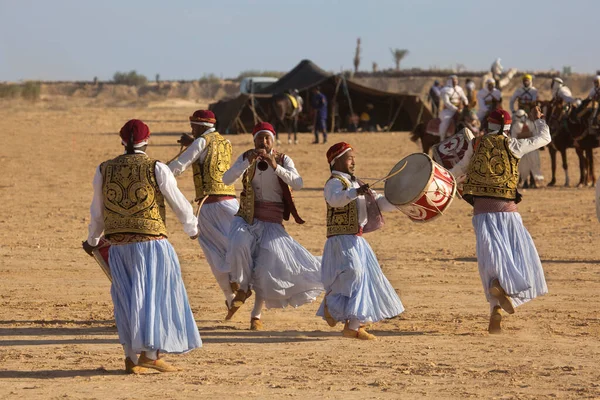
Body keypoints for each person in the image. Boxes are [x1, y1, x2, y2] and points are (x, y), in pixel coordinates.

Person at [83, 119, 202, 373]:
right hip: (151, 245)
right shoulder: (156, 167)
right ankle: (149, 354)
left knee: (126, 299)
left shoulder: (104, 169)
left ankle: (130, 357)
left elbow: (97, 212)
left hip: (118, 245)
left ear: (122, 141)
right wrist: (192, 228)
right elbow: (178, 202)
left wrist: (93, 240)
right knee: (154, 296)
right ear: (147, 141)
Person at [450, 108, 550, 334]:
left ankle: (495, 306)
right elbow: (545, 138)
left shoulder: (475, 145)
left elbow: (457, 170)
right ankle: (504, 303)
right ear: (507, 126)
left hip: (482, 212)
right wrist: (539, 120)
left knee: (491, 261)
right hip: (509, 212)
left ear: (489, 124)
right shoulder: (514, 145)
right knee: (517, 259)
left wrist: (443, 179)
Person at [222, 122, 323, 330]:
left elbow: (298, 183)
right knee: (238, 242)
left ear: (273, 140)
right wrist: (244, 163)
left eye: (267, 138)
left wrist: (275, 166)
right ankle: (242, 288)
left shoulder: (284, 159)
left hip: (271, 221)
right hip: (248, 217)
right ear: (254, 140)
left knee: (265, 269)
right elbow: (226, 179)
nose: (264, 142)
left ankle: (255, 316)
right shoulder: (246, 157)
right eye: (260, 138)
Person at [316, 142, 405, 340]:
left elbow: (378, 203)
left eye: (353, 157)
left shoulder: (357, 183)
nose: (353, 161)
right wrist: (355, 192)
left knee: (367, 281)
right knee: (354, 273)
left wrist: (399, 199)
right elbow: (335, 200)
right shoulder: (334, 182)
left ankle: (354, 326)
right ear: (336, 161)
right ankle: (331, 303)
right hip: (340, 239)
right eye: (349, 157)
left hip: (357, 239)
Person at [168, 110, 243, 320]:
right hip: (232, 203)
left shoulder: (199, 142)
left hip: (210, 206)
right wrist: (193, 141)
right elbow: (206, 151)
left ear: (200, 126)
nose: (192, 130)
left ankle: (230, 295)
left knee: (213, 253)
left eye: (193, 127)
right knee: (236, 245)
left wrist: (157, 173)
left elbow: (179, 166)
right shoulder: (225, 142)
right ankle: (240, 281)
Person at [511, 109, 544, 188]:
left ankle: (533, 181)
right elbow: (514, 138)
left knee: (534, 164)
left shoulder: (531, 124)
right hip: (522, 149)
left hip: (531, 148)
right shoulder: (515, 126)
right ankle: (525, 182)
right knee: (523, 166)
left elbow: (535, 134)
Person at [439, 75, 469, 140]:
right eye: (453, 80)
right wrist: (455, 109)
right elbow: (447, 103)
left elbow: (464, 98)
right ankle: (442, 138)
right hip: (448, 111)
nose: (455, 81)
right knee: (446, 121)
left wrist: (466, 104)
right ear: (450, 81)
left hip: (460, 109)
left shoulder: (459, 89)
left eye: (456, 79)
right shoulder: (445, 90)